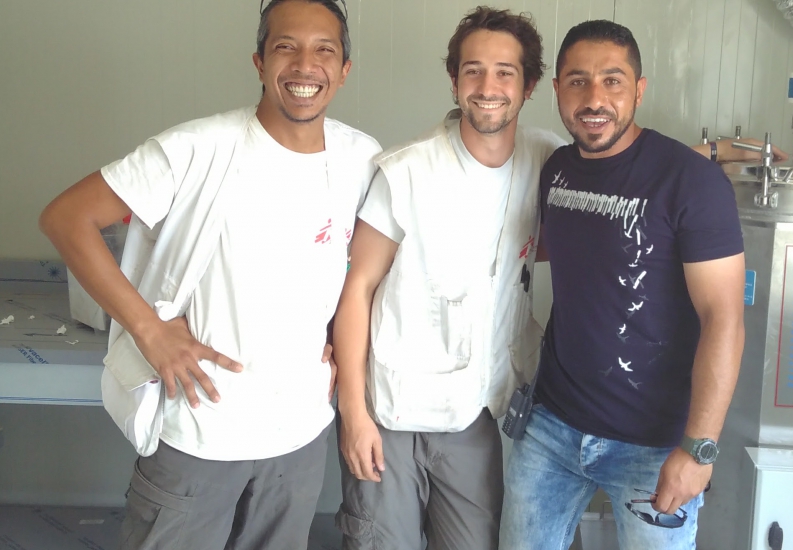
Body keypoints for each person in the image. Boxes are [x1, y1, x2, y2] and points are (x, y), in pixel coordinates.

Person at [38, 1, 381, 548]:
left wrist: (340, 343)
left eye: (324, 50)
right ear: (259, 60)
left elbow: (359, 272)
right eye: (285, 46)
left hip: (298, 436)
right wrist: (149, 330)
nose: (304, 65)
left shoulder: (361, 159)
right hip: (201, 431)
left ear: (344, 69)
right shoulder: (199, 148)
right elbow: (66, 218)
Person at [500, 20, 748, 550]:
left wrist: (699, 448)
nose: (594, 98)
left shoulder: (691, 182)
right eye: (577, 81)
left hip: (654, 446)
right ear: (557, 90)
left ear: (638, 89)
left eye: (613, 81)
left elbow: (723, 317)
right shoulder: (557, 171)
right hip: (550, 428)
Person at [330, 7, 564, 549]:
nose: (488, 87)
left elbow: (630, 169)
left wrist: (717, 154)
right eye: (473, 70)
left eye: (505, 72)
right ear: (454, 79)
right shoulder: (406, 171)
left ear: (529, 85)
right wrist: (353, 414)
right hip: (390, 408)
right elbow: (357, 287)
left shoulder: (546, 159)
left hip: (472, 411)